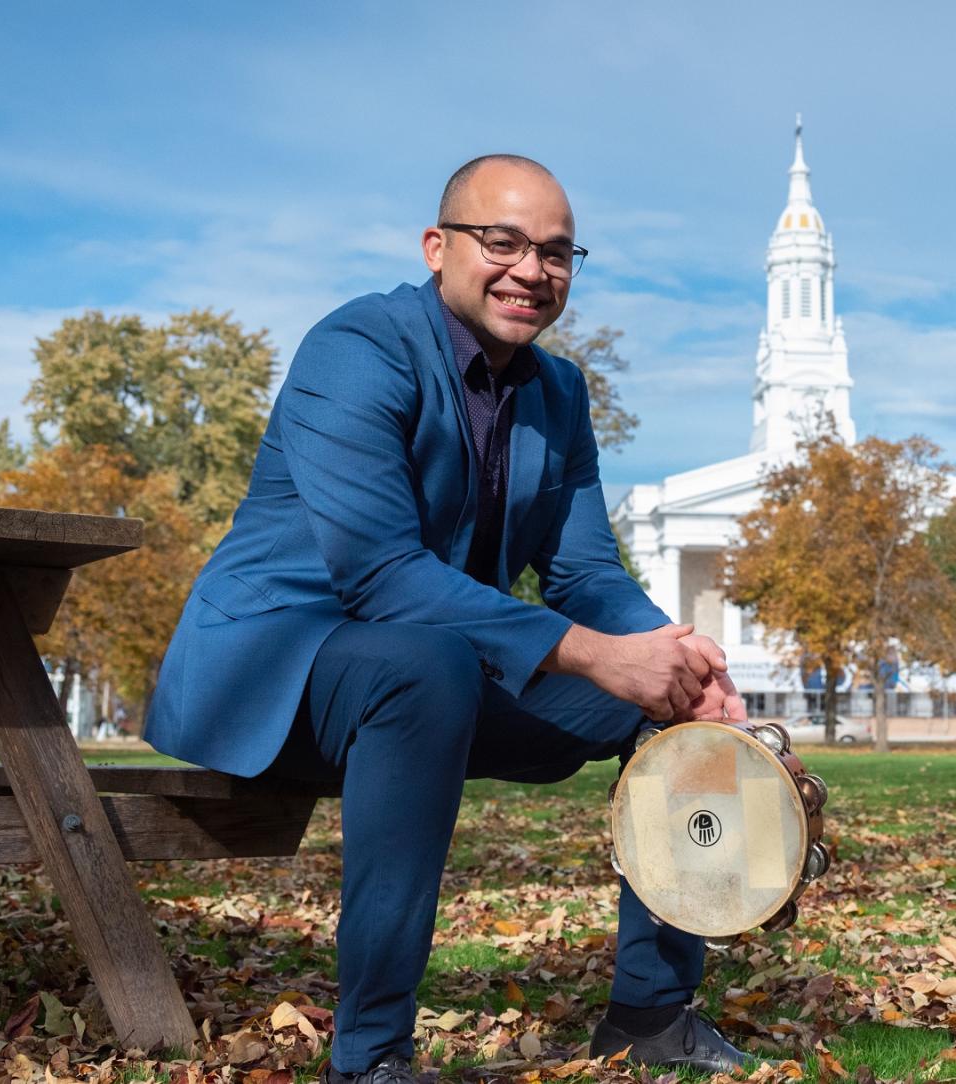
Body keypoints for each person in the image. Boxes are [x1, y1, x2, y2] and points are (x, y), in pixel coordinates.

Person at [145, 155, 756, 1083]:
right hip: (279, 668)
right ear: (439, 248)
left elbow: (586, 569)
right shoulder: (355, 348)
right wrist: (593, 655)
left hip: (439, 672)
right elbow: (382, 575)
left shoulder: (560, 393)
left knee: (670, 705)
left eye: (555, 253)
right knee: (420, 666)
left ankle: (652, 1013)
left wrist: (676, 657)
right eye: (501, 241)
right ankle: (372, 1058)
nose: (530, 270)